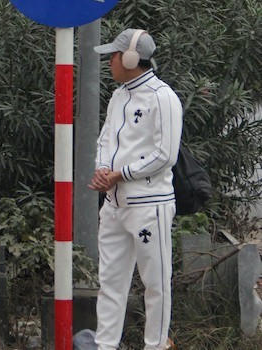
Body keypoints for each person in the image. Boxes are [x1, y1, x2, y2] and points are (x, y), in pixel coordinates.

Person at [88, 28, 183, 350]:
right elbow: (105, 139)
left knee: (155, 283)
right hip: (114, 204)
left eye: (113, 56)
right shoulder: (119, 95)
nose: (110, 62)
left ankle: (156, 345)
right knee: (110, 281)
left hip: (149, 204)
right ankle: (105, 345)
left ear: (129, 58)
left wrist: (120, 173)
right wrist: (102, 170)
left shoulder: (163, 97)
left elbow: (166, 154)